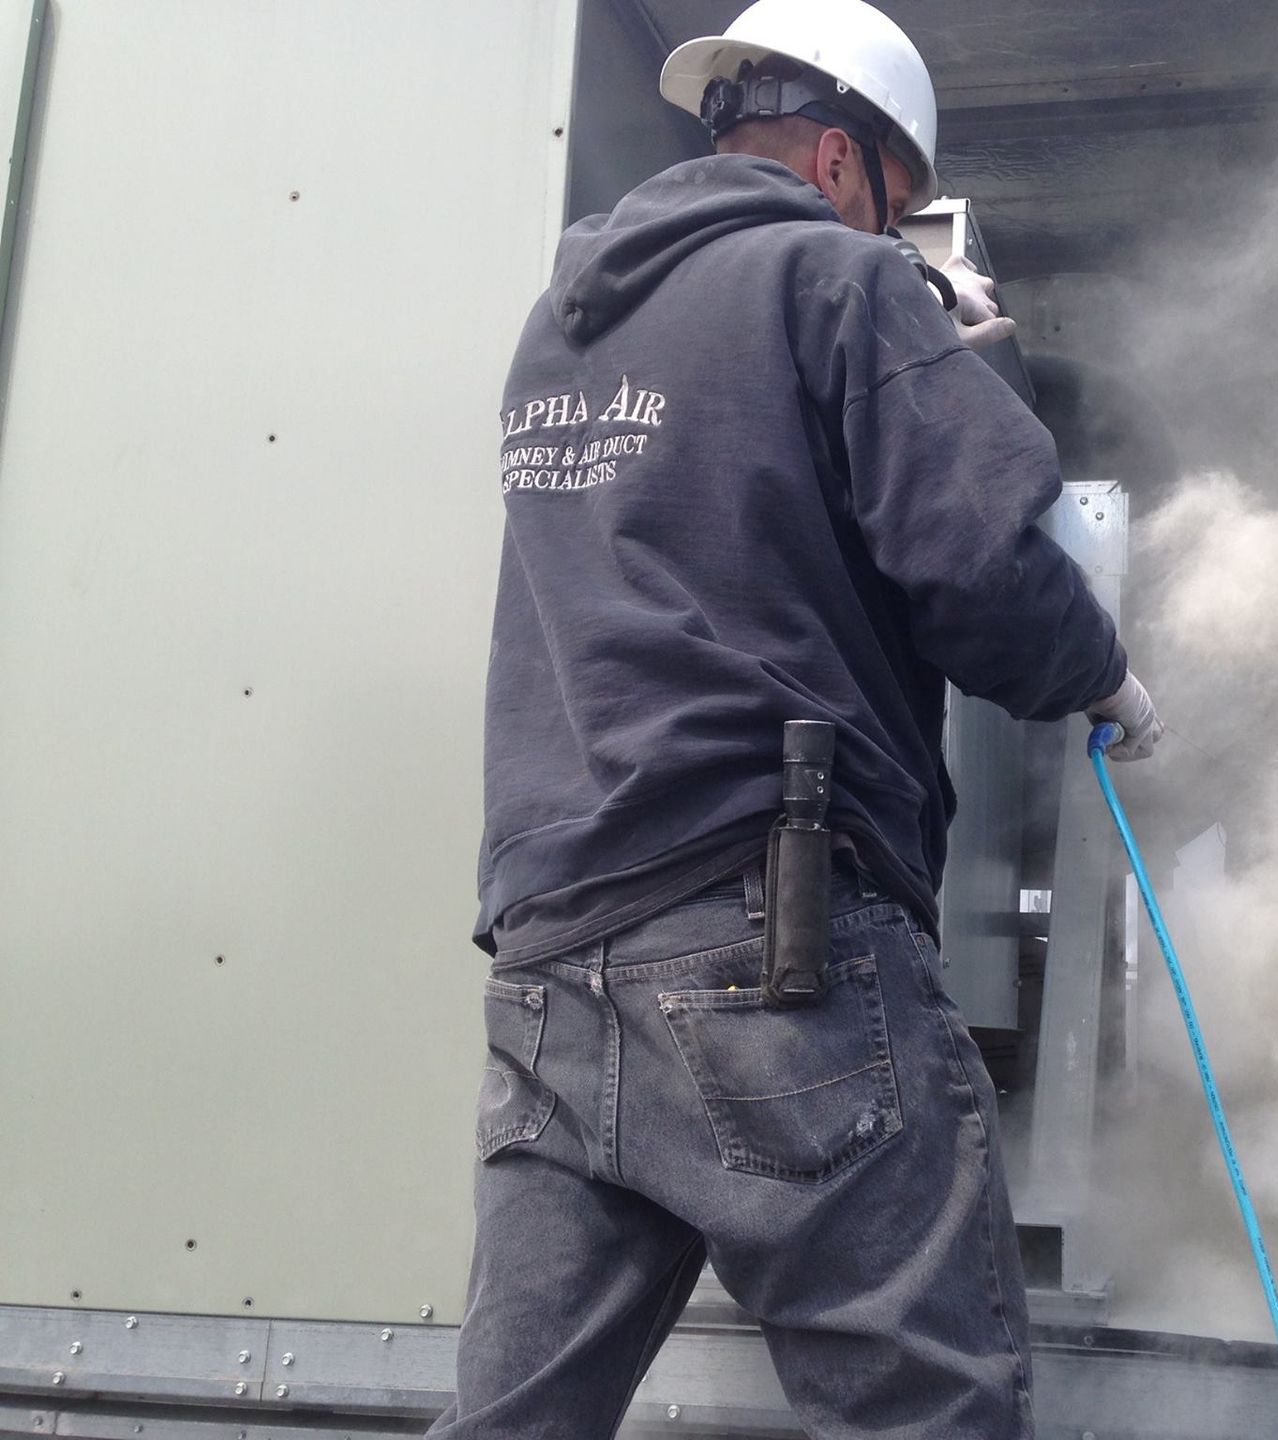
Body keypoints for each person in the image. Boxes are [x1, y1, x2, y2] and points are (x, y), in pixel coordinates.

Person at [431, 1, 1163, 1435]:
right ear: (840, 161)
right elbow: (980, 568)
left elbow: (725, 509)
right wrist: (1107, 682)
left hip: (553, 960)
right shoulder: (842, 287)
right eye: (894, 208)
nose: (897, 240)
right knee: (924, 1409)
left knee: (517, 1420)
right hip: (772, 949)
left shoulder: (565, 325)